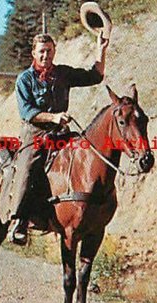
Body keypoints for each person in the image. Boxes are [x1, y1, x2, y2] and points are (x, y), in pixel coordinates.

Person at [6, 32, 108, 244]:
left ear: (54, 51)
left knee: (85, 155)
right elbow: (27, 112)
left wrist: (101, 50)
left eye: (49, 51)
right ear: (34, 53)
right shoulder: (24, 80)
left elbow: (94, 76)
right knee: (28, 166)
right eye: (41, 51)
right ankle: (19, 219)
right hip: (35, 135)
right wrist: (53, 117)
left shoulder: (63, 73)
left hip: (60, 133)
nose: (46, 55)